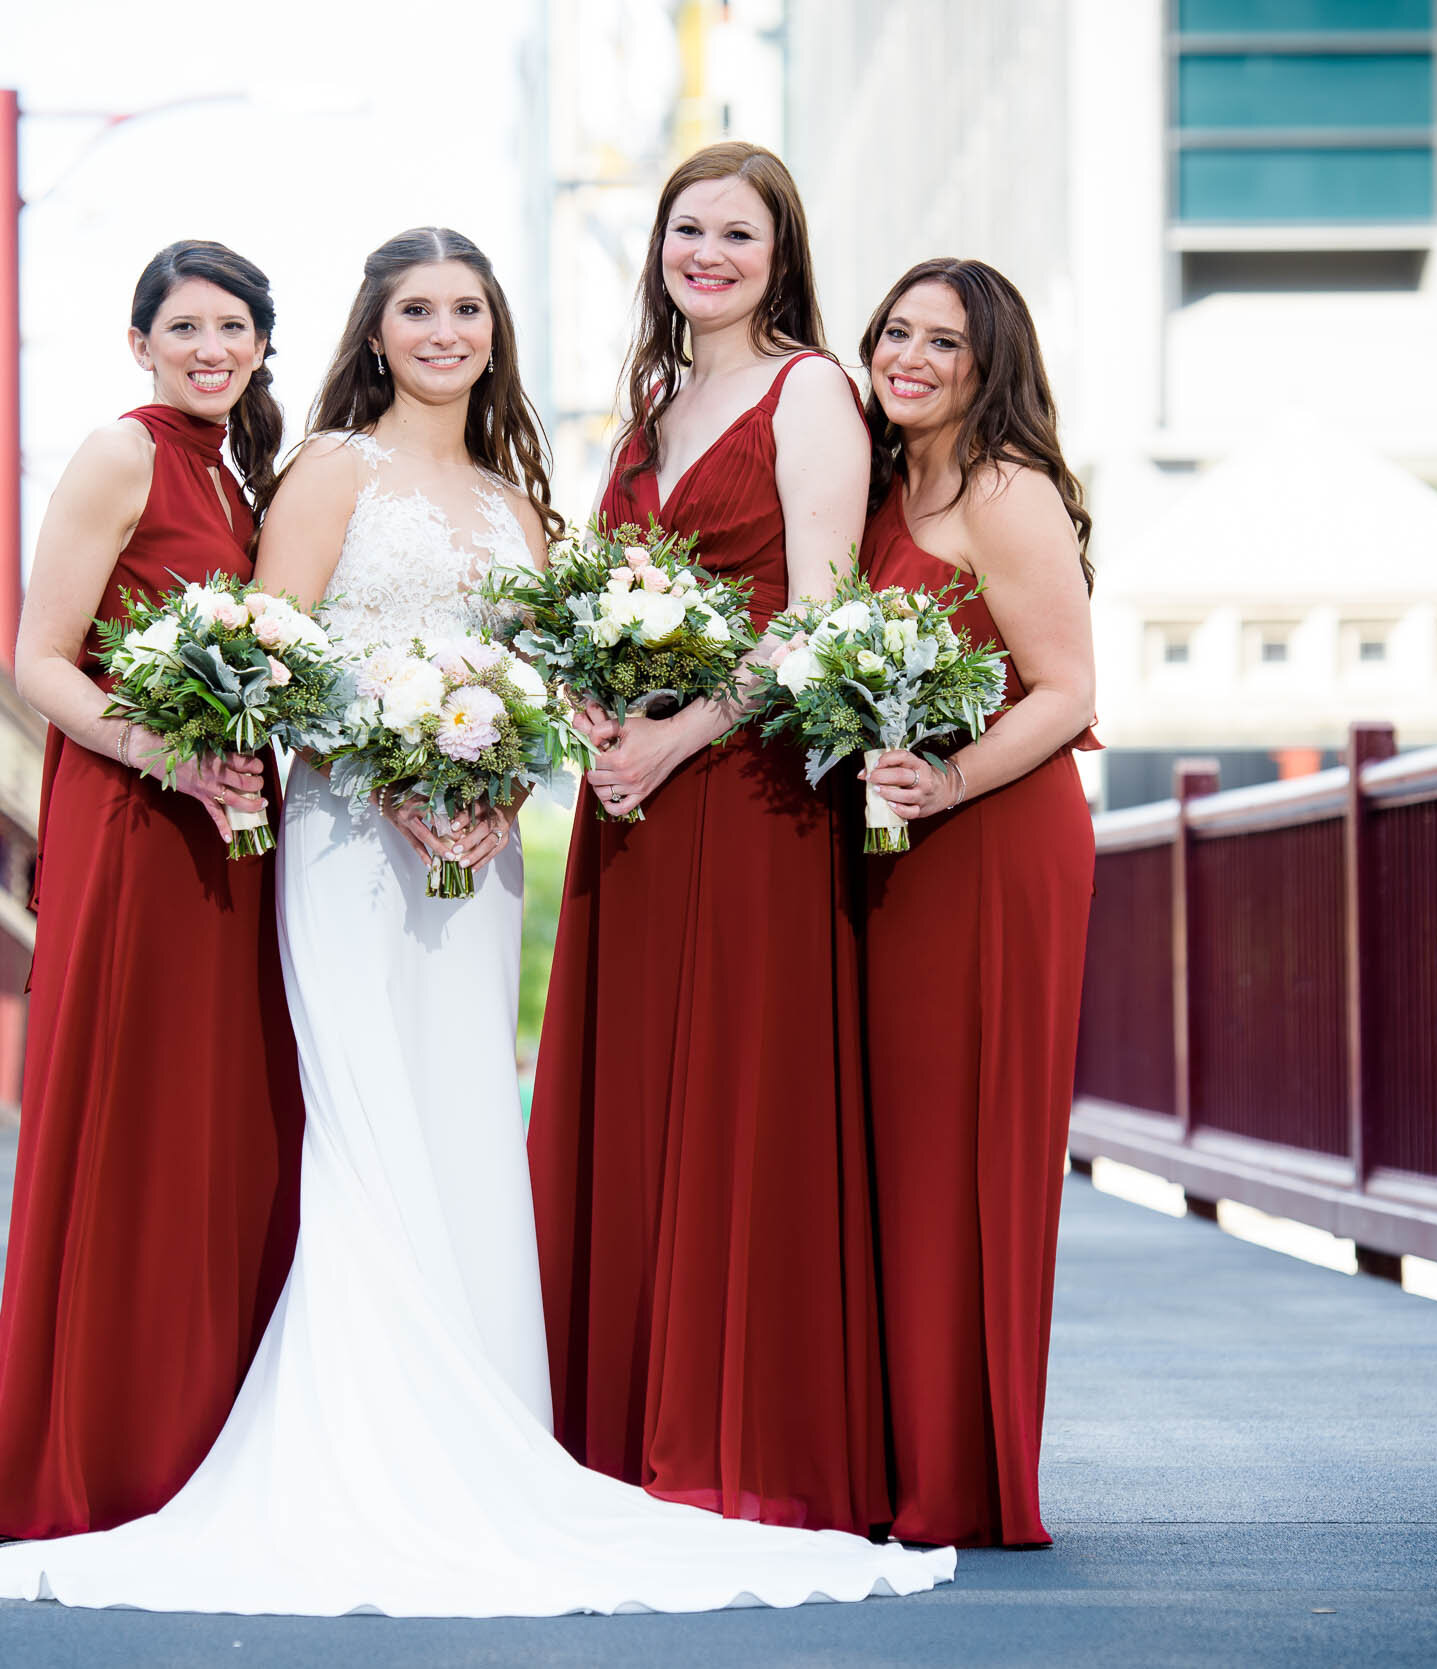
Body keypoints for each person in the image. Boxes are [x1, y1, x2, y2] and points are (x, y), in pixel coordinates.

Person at [0, 228, 951, 1615]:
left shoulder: (522, 509)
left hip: (478, 854)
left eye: (466, 308)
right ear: (373, 333)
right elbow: (281, 651)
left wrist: (503, 790)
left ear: (495, 331)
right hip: (344, 840)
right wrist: (391, 779)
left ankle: (487, 1438)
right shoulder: (330, 468)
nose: (443, 331)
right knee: (367, 1125)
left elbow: (539, 681)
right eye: (415, 311)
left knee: (461, 1125)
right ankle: (363, 1455)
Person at [526, 143, 894, 1537]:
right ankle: (615, 1430)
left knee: (738, 1102)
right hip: (628, 797)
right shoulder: (653, 403)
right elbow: (588, 594)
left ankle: (736, 1436)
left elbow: (818, 610)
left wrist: (680, 737)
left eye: (737, 233)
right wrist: (592, 719)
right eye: (688, 230)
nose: (709, 255)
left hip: (744, 803)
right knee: (631, 1104)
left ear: (779, 251)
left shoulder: (812, 396)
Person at [0, 240, 303, 1545]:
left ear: (262, 345)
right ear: (141, 341)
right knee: (131, 1122)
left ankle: (195, 1439)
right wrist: (172, 757)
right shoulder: (127, 453)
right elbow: (41, 658)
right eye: (185, 327)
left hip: (229, 827)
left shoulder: (239, 470)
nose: (210, 347)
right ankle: (96, 1456)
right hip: (136, 820)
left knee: (216, 1130)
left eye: (232, 328)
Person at [851, 257, 1099, 1549]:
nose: (911, 356)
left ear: (988, 360)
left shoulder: (1007, 490)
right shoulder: (887, 481)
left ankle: (968, 1474)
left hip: (994, 841)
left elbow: (1064, 690)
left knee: (974, 1152)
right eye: (896, 331)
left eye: (942, 340)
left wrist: (944, 780)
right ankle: (895, 1451)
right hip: (899, 843)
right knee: (899, 1148)